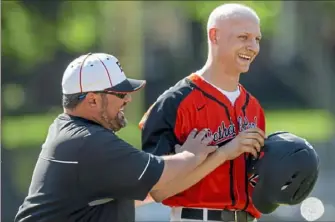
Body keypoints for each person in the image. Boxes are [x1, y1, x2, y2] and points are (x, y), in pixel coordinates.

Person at [14, 52, 224, 222]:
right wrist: (192, 154)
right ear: (93, 100)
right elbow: (160, 173)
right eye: (120, 94)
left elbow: (151, 189)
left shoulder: (67, 128)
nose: (128, 99)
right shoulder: (89, 141)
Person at [139, 3, 266, 222]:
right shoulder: (174, 103)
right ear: (214, 36)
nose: (252, 47)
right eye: (243, 37)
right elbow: (157, 191)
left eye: (257, 39)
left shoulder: (254, 107)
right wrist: (224, 153)